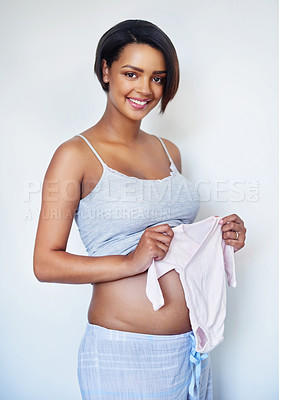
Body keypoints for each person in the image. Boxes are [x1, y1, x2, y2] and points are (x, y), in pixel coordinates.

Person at [33, 19, 246, 400]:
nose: (145, 89)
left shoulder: (169, 152)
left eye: (158, 78)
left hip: (191, 347)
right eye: (132, 73)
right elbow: (45, 264)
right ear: (105, 71)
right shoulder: (74, 155)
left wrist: (222, 239)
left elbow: (174, 251)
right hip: (123, 354)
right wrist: (131, 261)